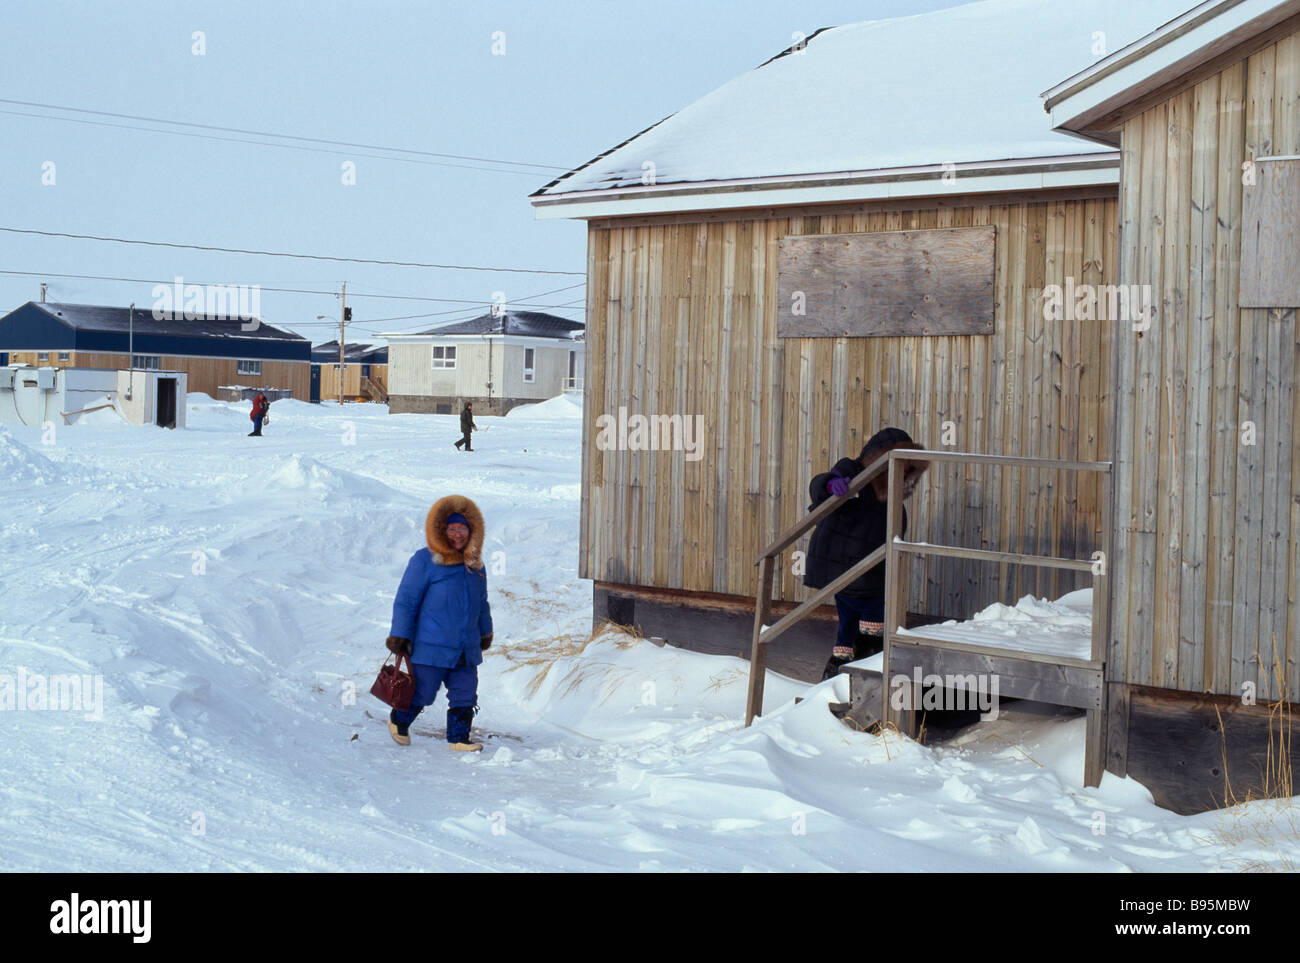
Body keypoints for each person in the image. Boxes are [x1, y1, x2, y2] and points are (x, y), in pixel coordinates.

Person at [804, 427, 929, 680]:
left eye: (908, 464)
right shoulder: (854, 470)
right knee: (852, 626)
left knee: (864, 628)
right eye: (900, 460)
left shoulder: (892, 492)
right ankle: (842, 676)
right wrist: (830, 484)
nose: (905, 469)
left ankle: (856, 673)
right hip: (847, 568)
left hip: (872, 571)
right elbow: (820, 485)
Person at [384, 494, 493, 752]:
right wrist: (400, 635)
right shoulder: (424, 560)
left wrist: (485, 632)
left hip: (465, 648)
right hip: (430, 646)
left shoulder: (475, 565)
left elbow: (482, 603)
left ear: (472, 531)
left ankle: (459, 738)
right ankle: (398, 720)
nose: (458, 535)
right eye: (452, 529)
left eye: (463, 529)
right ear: (442, 531)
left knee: (465, 694)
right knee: (422, 693)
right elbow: (406, 600)